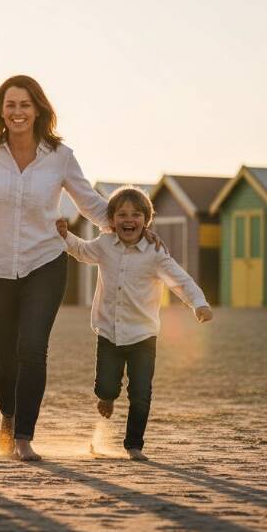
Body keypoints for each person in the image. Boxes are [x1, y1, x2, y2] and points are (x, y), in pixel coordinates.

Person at [0, 75, 118, 461]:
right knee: (4, 356)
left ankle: (23, 436)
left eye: (24, 104)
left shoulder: (60, 156)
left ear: (38, 109)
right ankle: (8, 415)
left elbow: (90, 203)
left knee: (32, 349)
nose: (17, 112)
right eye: (10, 105)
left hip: (45, 262)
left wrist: (130, 227)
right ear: (0, 112)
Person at [57, 186, 212, 461]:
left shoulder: (155, 253)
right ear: (112, 220)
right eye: (122, 214)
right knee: (106, 386)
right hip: (108, 332)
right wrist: (64, 236)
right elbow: (81, 251)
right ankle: (106, 397)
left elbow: (180, 281)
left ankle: (134, 445)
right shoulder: (105, 245)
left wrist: (199, 304)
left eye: (136, 215)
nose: (129, 220)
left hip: (143, 336)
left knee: (141, 393)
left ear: (146, 220)